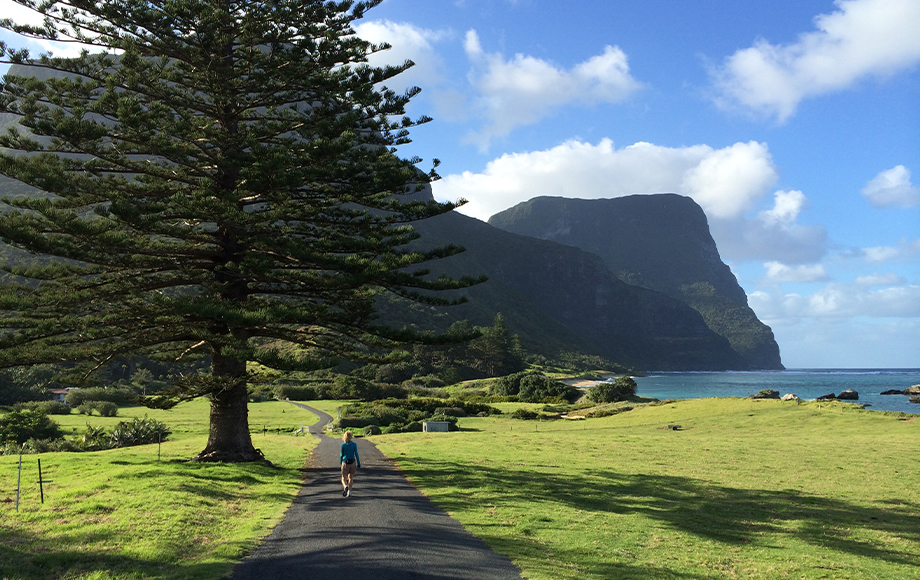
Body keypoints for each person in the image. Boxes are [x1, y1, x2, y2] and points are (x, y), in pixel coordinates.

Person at [340, 430, 361, 497]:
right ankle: (349, 491)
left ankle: (345, 486)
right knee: (351, 477)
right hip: (352, 462)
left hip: (345, 462)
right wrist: (359, 463)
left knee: (343, 478)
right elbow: (356, 454)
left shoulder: (343, 445)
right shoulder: (354, 444)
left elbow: (341, 455)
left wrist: (341, 462)